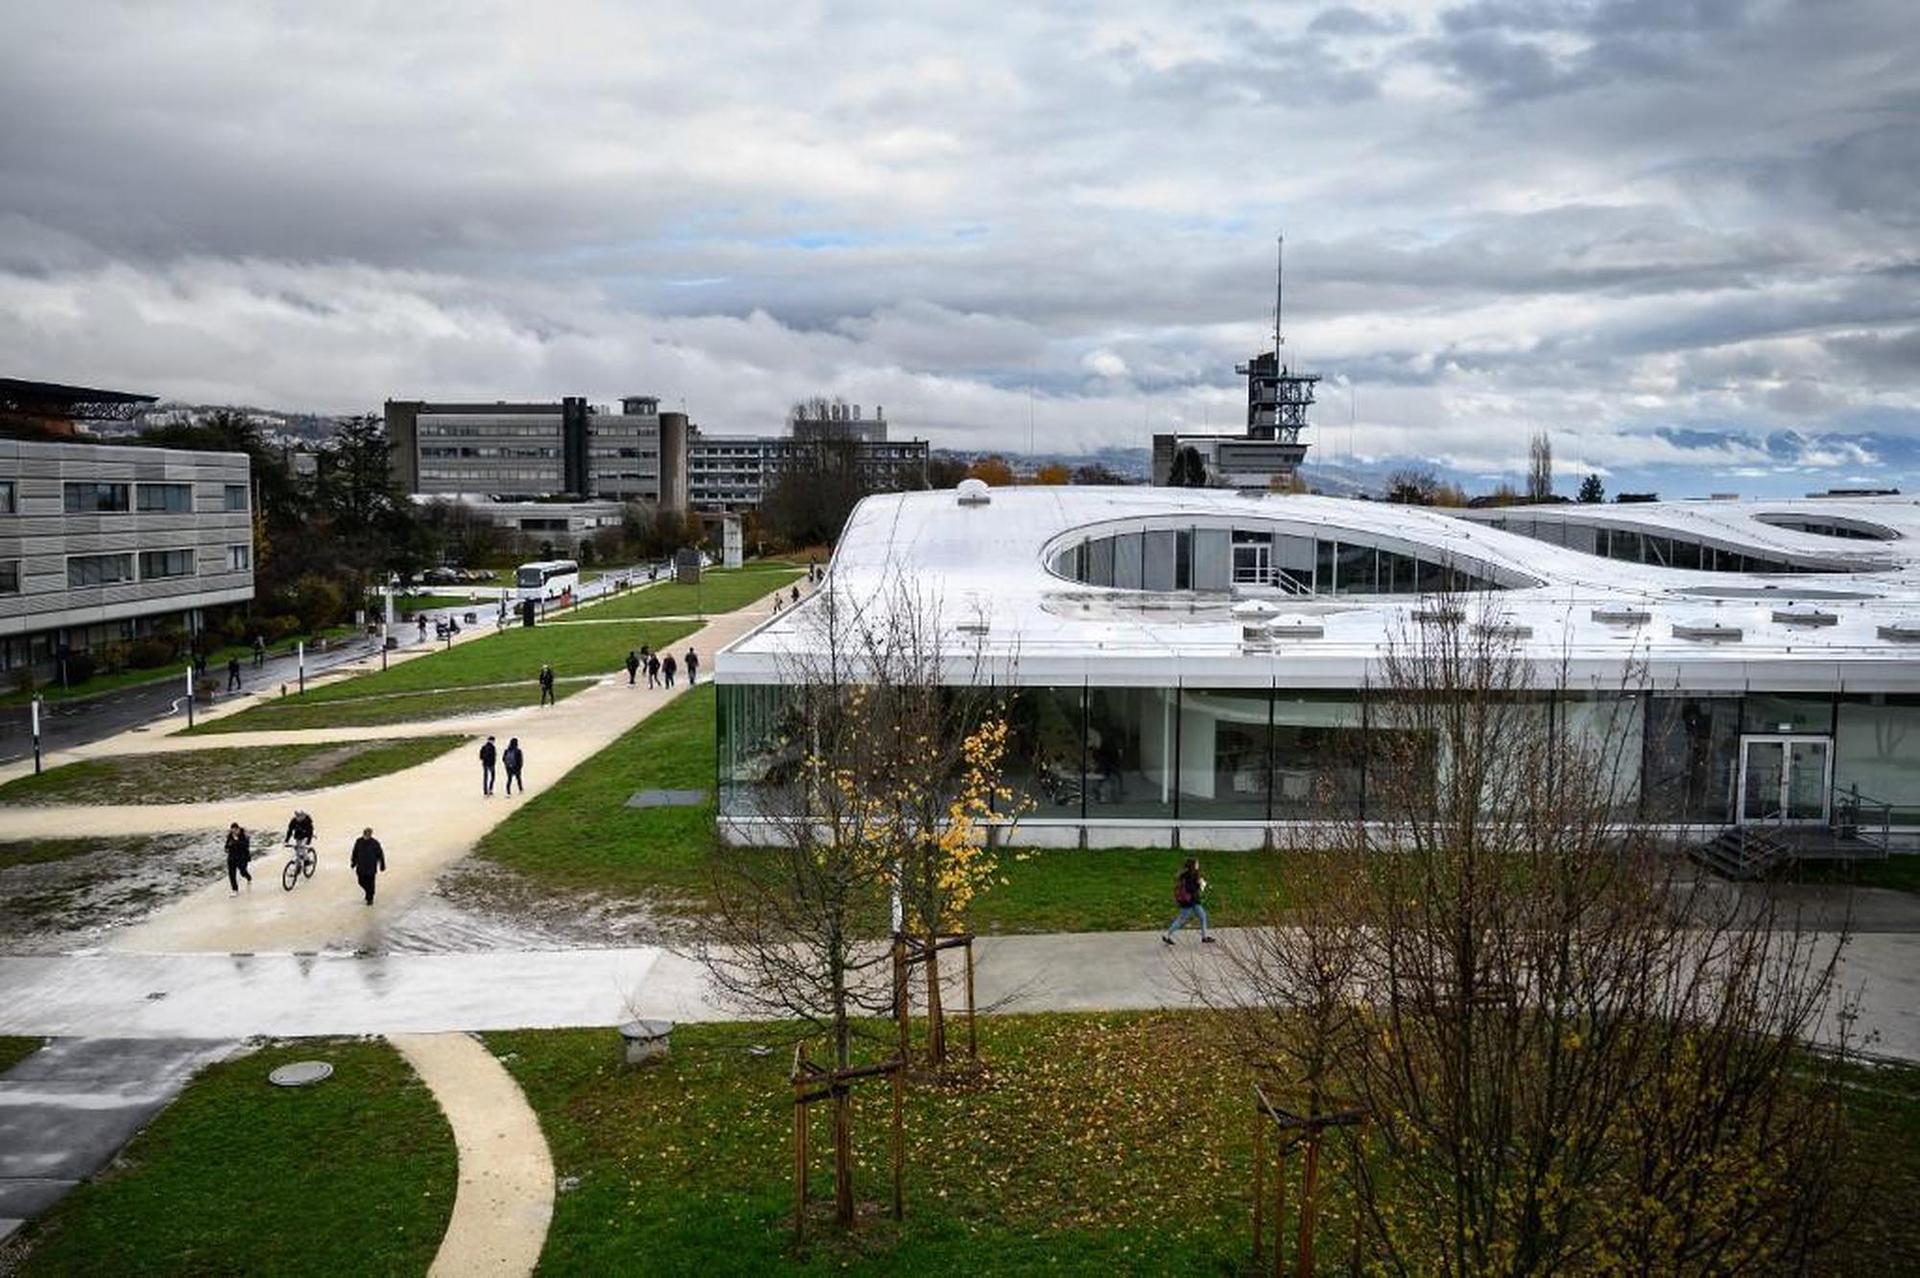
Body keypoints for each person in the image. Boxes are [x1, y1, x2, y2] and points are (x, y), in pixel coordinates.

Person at [1162, 857, 1214, 945]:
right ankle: (1167, 935)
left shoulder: (1186, 874)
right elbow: (1190, 888)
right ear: (1193, 865)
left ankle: (1204, 937)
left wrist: (1200, 883)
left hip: (1191, 900)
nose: (1198, 865)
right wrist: (1200, 886)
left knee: (1202, 916)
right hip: (1189, 901)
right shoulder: (1189, 875)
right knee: (1181, 920)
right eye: (1197, 863)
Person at [349, 827, 386, 905]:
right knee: (361, 881)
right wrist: (353, 862)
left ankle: (370, 898)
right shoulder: (359, 841)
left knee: (371, 883)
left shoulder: (375, 843)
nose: (366, 836)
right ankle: (368, 892)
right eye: (365, 835)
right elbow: (355, 852)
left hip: (371, 868)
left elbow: (380, 854)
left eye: (368, 835)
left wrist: (382, 865)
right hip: (361, 867)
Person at [224, 823, 252, 893]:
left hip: (242, 858)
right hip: (232, 858)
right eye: (232, 831)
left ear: (238, 829)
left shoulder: (244, 835)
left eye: (235, 831)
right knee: (231, 874)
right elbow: (226, 846)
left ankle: (248, 877)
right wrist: (227, 848)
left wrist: (236, 841)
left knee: (243, 872)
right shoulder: (230, 836)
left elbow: (246, 846)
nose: (234, 833)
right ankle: (235, 890)